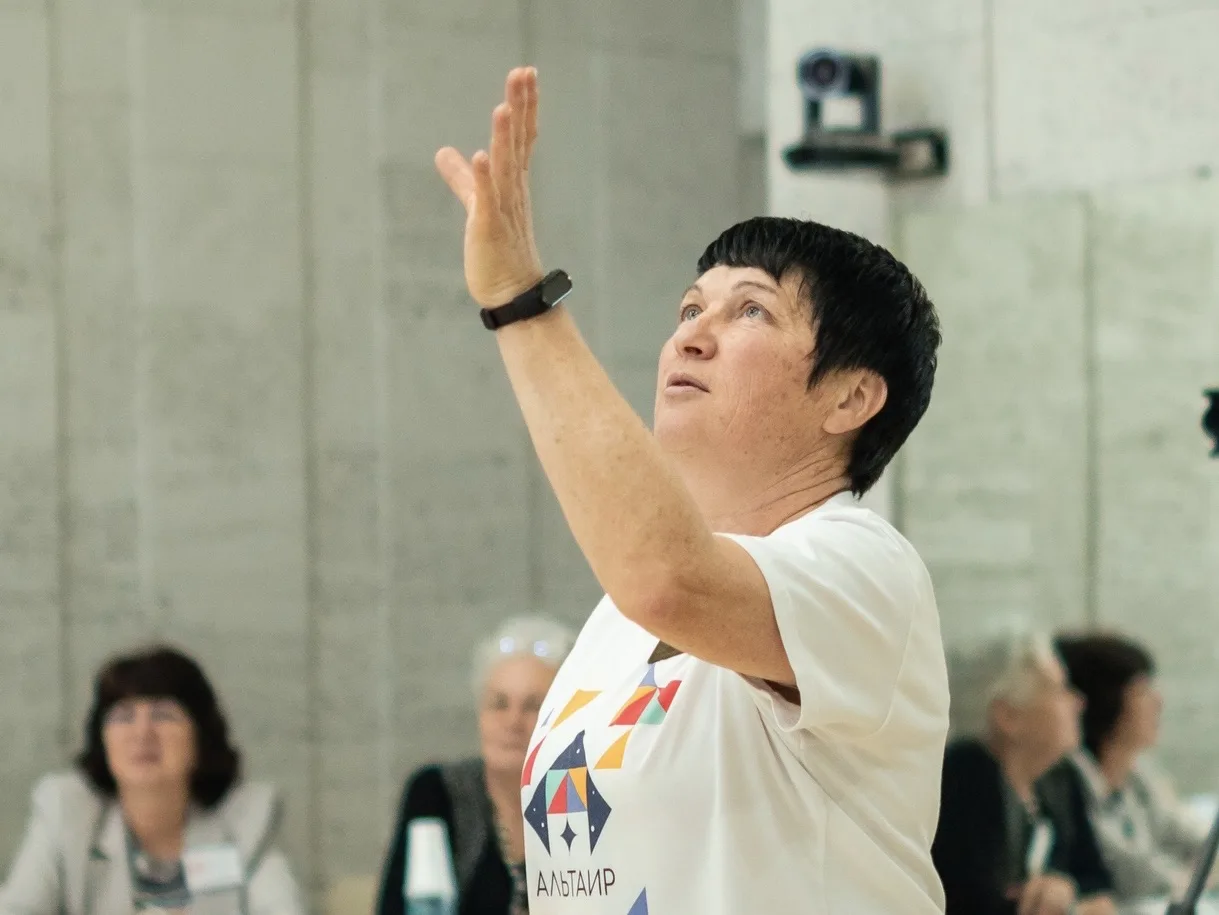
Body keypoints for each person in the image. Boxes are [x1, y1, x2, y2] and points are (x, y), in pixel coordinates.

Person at [432, 67, 949, 914]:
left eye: (750, 311)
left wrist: (520, 304)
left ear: (851, 396)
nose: (690, 337)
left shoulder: (865, 568)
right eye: (687, 309)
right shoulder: (614, 618)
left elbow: (668, 576)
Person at [0, 645, 303, 915]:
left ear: (201, 737)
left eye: (163, 715)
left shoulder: (246, 819)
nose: (142, 733)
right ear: (102, 740)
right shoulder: (67, 811)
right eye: (123, 717)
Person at [377, 617, 575, 915]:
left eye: (534, 706)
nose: (513, 721)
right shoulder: (436, 794)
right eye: (499, 704)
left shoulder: (592, 799)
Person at [934, 629, 1116, 915]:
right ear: (1008, 717)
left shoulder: (1060, 775)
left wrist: (1066, 890)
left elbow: (1097, 880)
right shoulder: (961, 783)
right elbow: (974, 902)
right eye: (1060, 690)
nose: (1078, 702)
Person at [1056, 632, 1210, 901]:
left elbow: (1188, 836)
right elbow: (1133, 875)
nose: (1158, 702)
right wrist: (1200, 877)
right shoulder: (1067, 783)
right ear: (1106, 701)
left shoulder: (1137, 775)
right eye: (1142, 691)